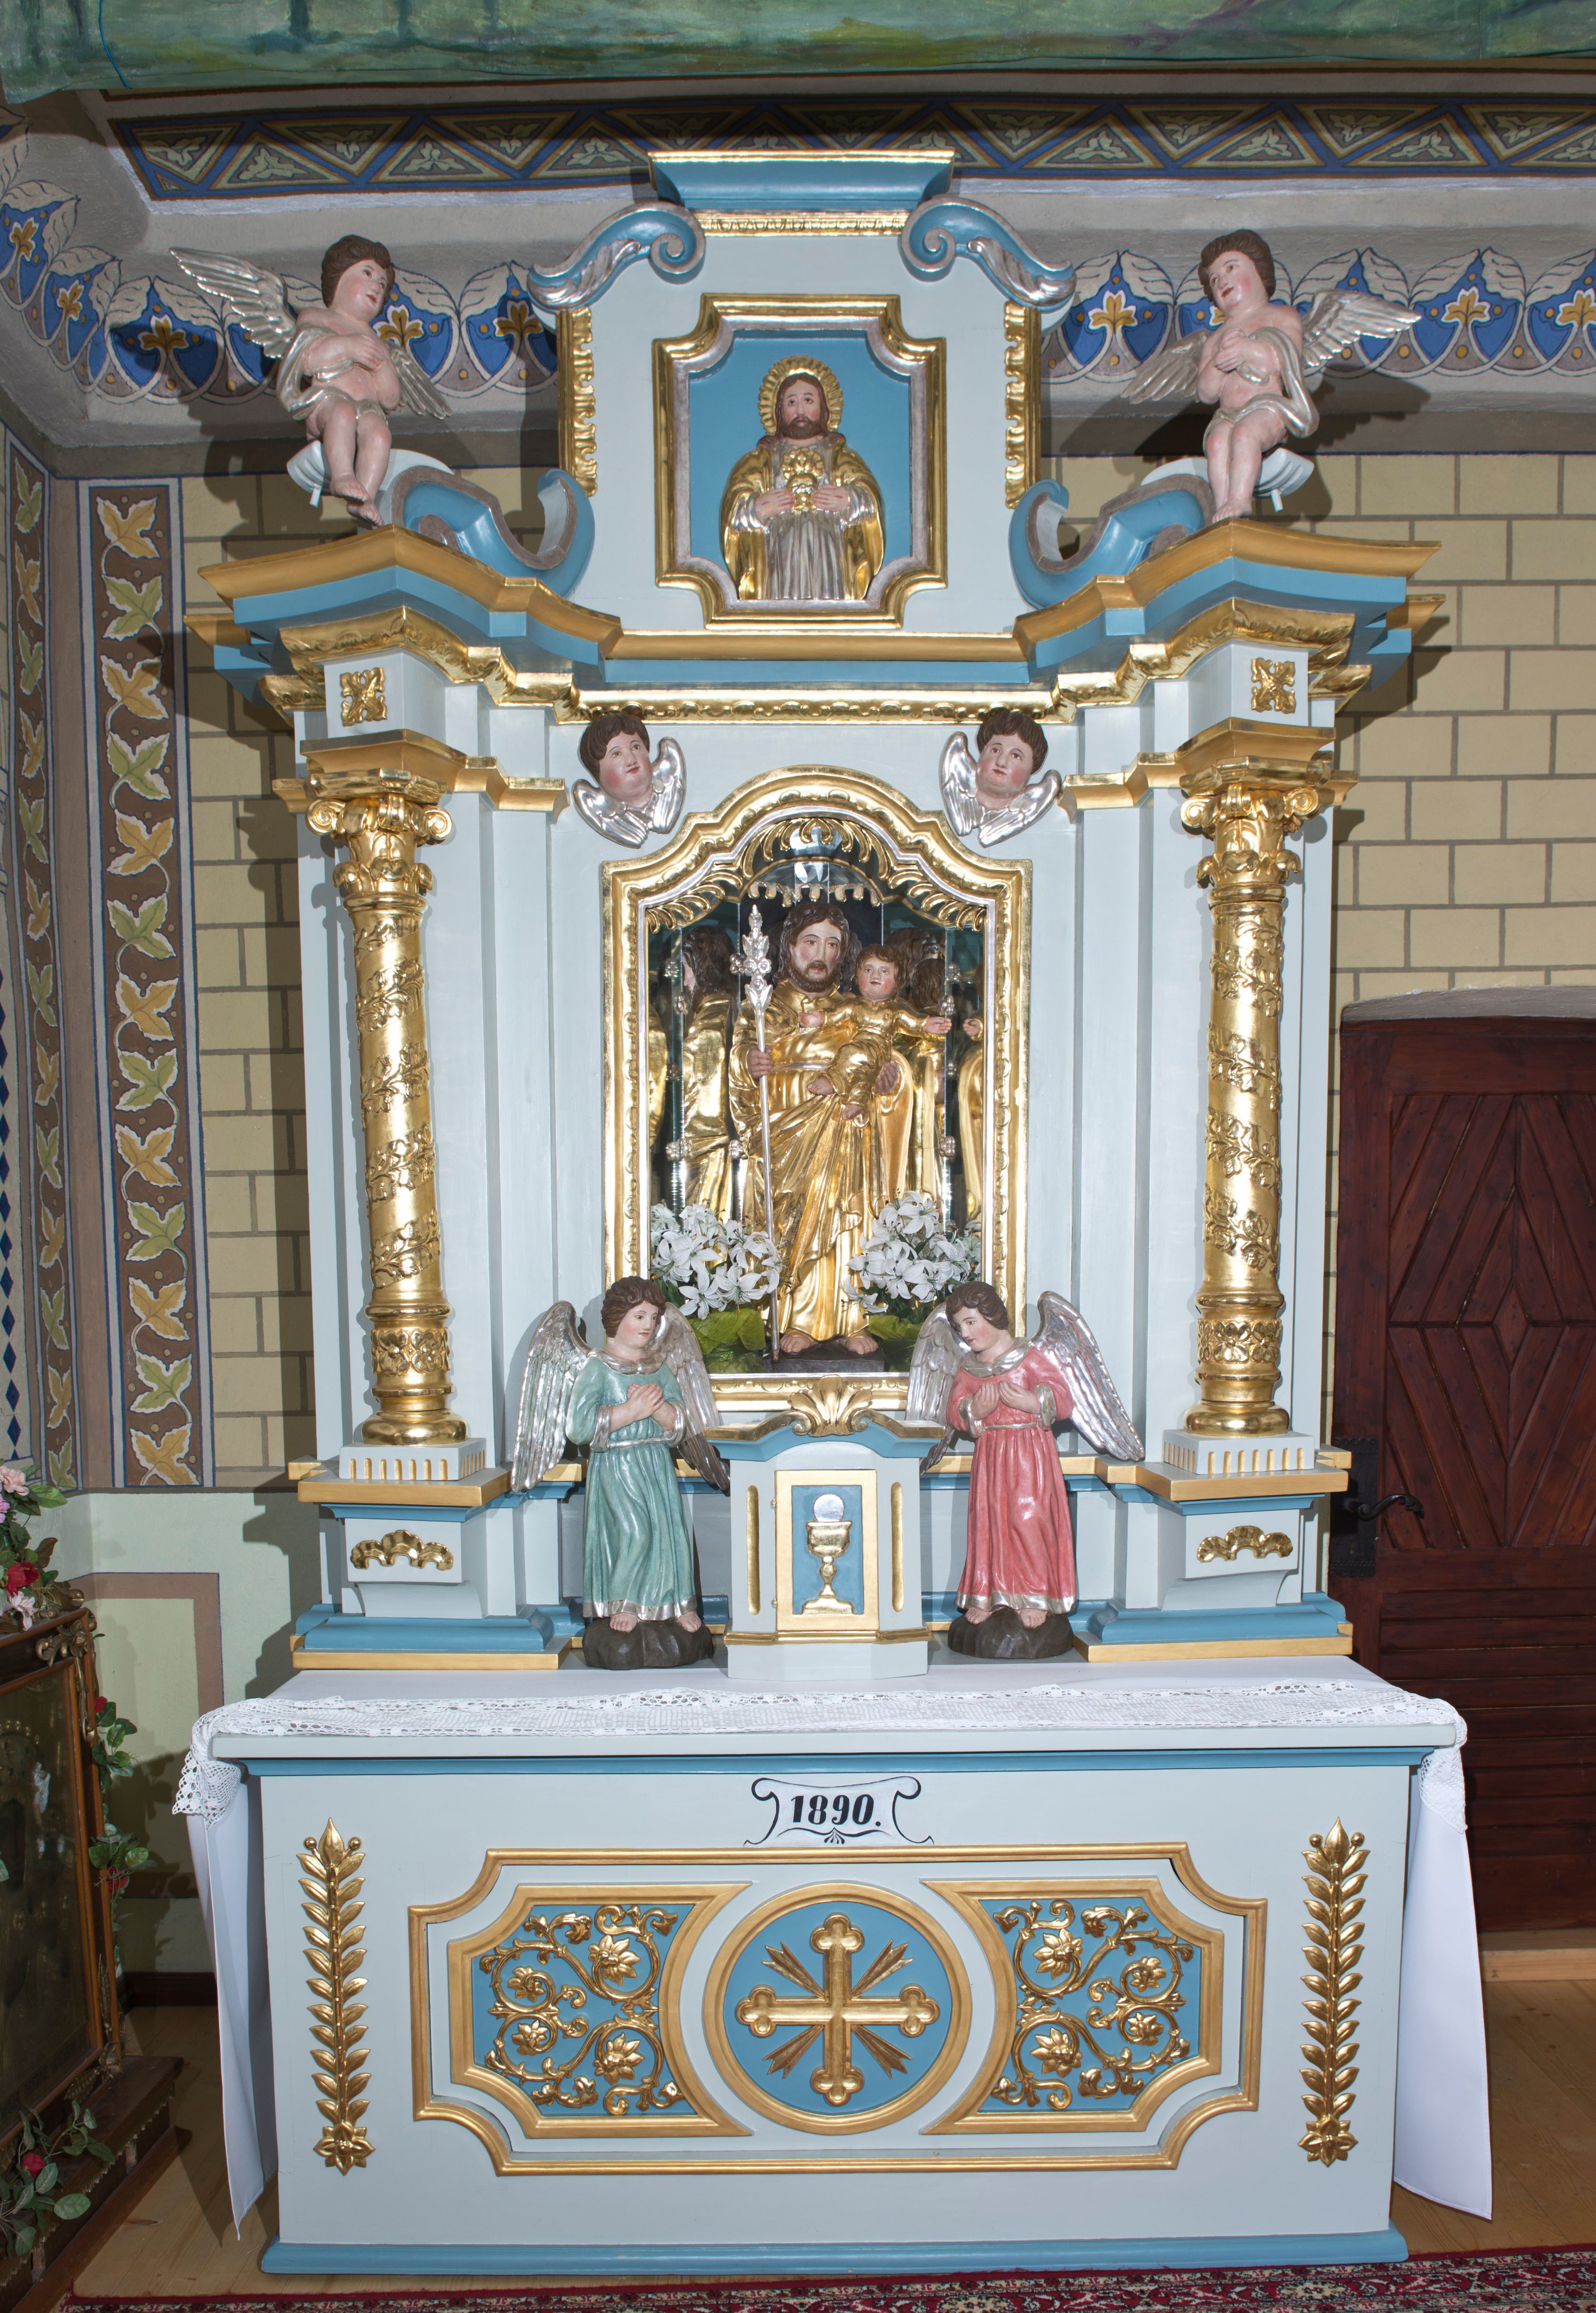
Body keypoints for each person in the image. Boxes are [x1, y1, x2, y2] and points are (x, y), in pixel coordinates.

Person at [730, 902, 945, 1354]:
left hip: (845, 1132)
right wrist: (749, 1061)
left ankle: (853, 1318)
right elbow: (738, 1059)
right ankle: (793, 1317)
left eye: (832, 945)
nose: (820, 955)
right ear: (789, 947)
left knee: (846, 1219)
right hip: (785, 1130)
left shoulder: (855, 1007)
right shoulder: (764, 1004)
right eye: (810, 942)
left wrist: (889, 1080)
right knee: (790, 1221)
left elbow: (884, 1057)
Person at [564, 1277, 704, 1638]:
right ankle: (624, 1601)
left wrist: (660, 1412)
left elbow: (681, 1421)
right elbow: (578, 1428)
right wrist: (630, 1411)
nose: (648, 1326)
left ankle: (675, 1604)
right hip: (617, 1464)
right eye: (639, 1316)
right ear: (616, 1318)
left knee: (668, 1533)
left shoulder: (658, 1367)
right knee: (634, 1532)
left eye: (654, 1318)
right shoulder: (598, 1368)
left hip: (655, 1462)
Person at [942, 1280, 1076, 1630]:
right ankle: (988, 1596)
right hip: (991, 1454)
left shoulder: (1028, 1358)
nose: (965, 1333)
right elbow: (954, 1410)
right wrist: (974, 1410)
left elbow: (1063, 1398)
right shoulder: (969, 1368)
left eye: (971, 1322)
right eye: (959, 1326)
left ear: (992, 1316)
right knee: (989, 1524)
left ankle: (1034, 1595)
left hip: (1029, 1452)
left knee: (1028, 1519)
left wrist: (1032, 1401)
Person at [721, 359, 884, 603]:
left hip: (828, 554)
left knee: (828, 606)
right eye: (791, 402)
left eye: (808, 401)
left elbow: (870, 497)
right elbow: (734, 505)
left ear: (824, 407)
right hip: (780, 554)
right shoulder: (760, 460)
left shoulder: (841, 457)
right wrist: (757, 508)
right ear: (779, 410)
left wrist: (849, 499)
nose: (800, 411)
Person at [276, 235, 406, 521]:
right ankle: (343, 475)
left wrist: (382, 367)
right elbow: (307, 359)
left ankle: (365, 498)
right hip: (327, 402)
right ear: (339, 278)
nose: (376, 286)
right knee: (343, 412)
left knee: (380, 434)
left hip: (368, 409)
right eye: (367, 274)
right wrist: (348, 347)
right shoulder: (318, 318)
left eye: (382, 284)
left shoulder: (377, 341)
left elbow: (390, 399)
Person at [1185, 231, 1312, 522]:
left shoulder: (1280, 317)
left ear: (1260, 271)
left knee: (1245, 434)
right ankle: (1222, 510)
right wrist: (1219, 363)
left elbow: (1285, 360)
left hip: (1268, 408)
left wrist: (1246, 350)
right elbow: (1206, 393)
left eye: (1231, 268)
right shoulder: (1215, 340)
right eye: (1215, 279)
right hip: (1227, 414)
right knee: (1217, 442)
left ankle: (1240, 501)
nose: (1222, 281)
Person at [854, 942, 949, 1205]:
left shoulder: (897, 1014)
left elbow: (915, 1024)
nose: (876, 977)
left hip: (909, 1120)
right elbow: (834, 1018)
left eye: (884, 972)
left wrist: (928, 1025)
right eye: (869, 970)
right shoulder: (853, 1009)